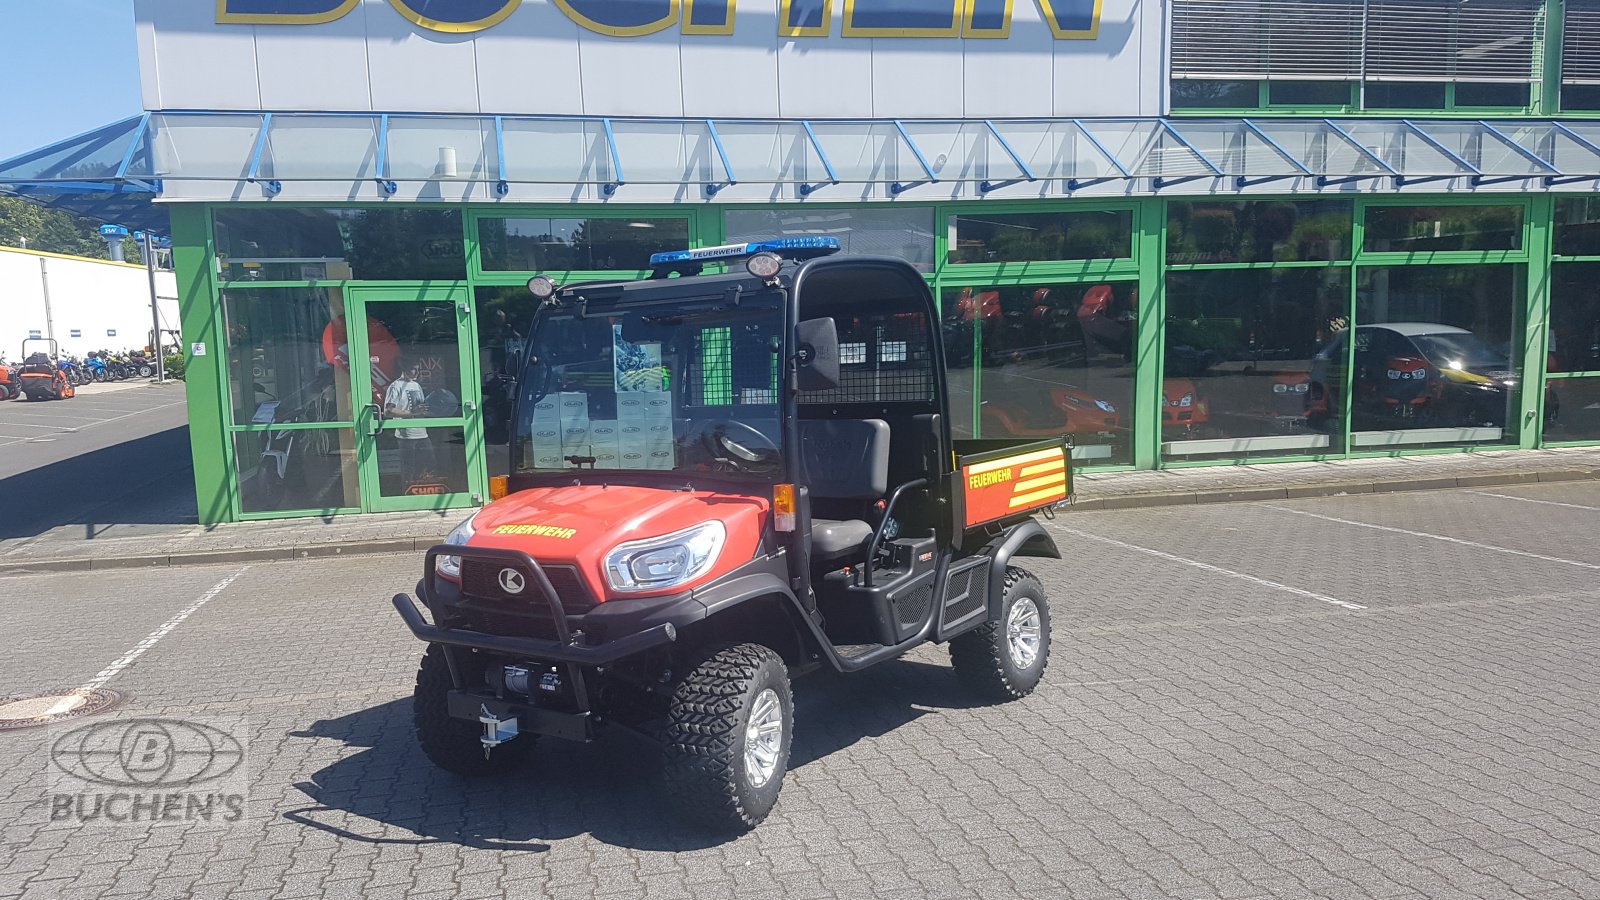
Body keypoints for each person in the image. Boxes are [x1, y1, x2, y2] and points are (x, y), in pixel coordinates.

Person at [384, 357, 436, 490]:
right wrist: (412, 412)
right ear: (405, 370)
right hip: (406, 435)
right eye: (414, 369)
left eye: (418, 370)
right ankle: (407, 493)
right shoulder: (396, 386)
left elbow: (421, 408)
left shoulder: (416, 385)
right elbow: (389, 410)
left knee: (428, 465)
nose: (417, 373)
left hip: (422, 432)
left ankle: (425, 490)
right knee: (408, 469)